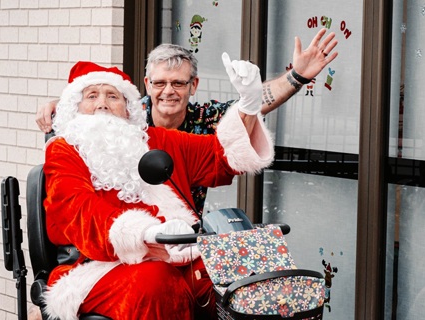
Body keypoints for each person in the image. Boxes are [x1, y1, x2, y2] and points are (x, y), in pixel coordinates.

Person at [41, 55, 273, 320]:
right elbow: (76, 210)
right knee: (156, 281)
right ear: (75, 108)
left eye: (113, 97)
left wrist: (249, 105)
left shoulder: (156, 140)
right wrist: (145, 232)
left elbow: (220, 155)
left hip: (181, 253)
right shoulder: (64, 150)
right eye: (92, 96)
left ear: (128, 108)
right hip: (99, 266)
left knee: (241, 266)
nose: (102, 104)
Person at [36, 28, 339, 213]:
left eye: (178, 84)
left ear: (193, 86)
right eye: (159, 83)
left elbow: (251, 106)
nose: (168, 91)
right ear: (146, 84)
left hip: (181, 235)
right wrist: (61, 103)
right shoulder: (128, 116)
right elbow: (93, 118)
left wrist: (297, 76)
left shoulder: (206, 119)